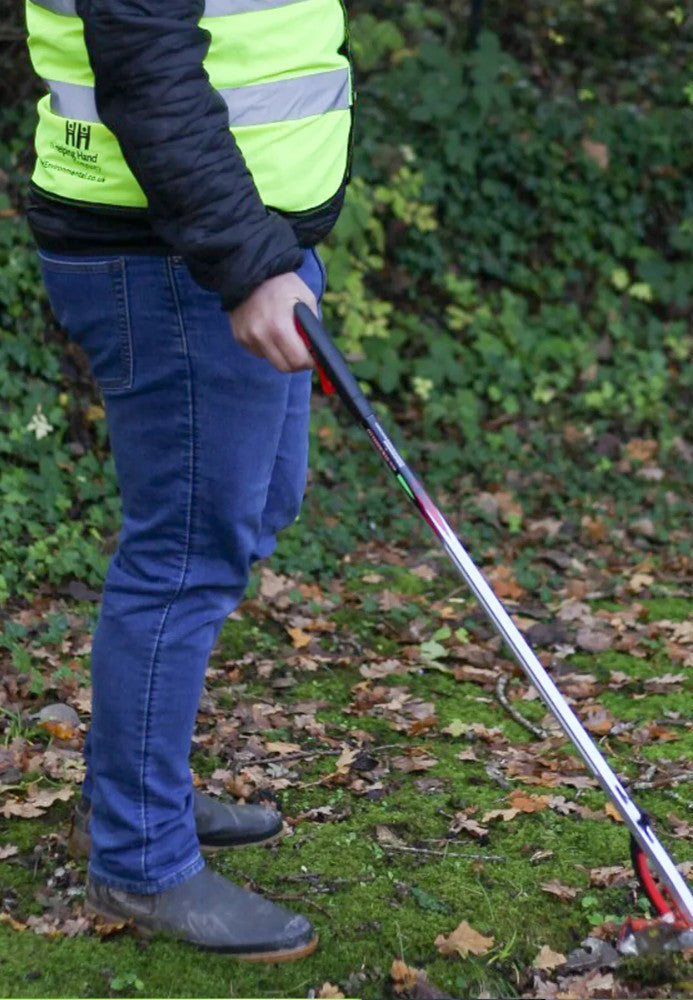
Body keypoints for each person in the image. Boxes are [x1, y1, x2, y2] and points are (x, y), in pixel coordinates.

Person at [24, 0, 353, 961]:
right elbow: (146, 62)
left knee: (256, 505)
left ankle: (135, 793)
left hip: (238, 242)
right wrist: (248, 266)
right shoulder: (216, 259)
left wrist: (269, 252)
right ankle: (138, 858)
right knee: (185, 555)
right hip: (180, 255)